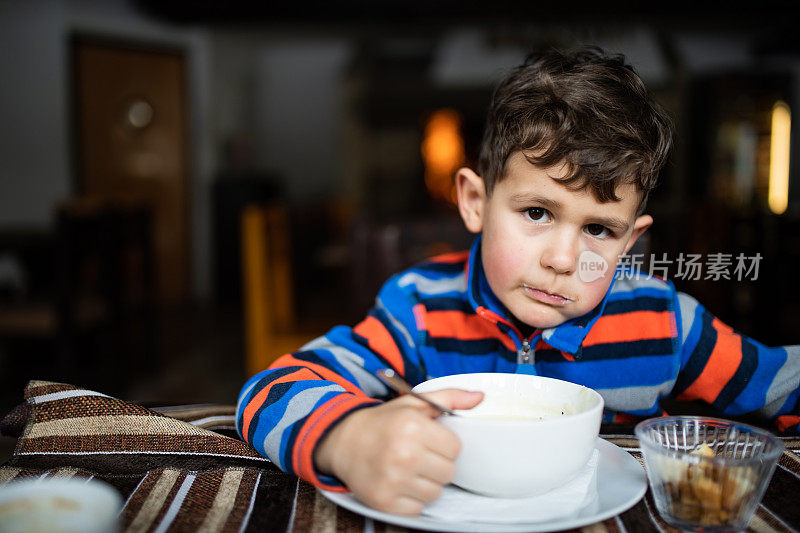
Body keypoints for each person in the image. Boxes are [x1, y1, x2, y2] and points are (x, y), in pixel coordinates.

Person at [236, 46, 800, 515]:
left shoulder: (666, 323)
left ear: (632, 243)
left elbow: (783, 384)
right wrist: (348, 440)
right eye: (537, 213)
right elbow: (269, 392)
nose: (561, 258)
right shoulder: (418, 310)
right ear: (475, 202)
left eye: (600, 229)